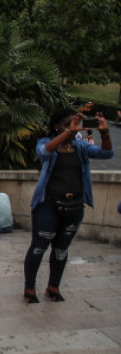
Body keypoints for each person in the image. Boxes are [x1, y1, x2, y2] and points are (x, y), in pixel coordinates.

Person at [23, 109, 114, 304]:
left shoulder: (80, 146)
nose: (73, 126)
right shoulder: (46, 143)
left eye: (74, 123)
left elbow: (107, 154)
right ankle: (29, 287)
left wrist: (105, 133)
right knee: (39, 248)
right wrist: (67, 133)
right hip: (48, 204)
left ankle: (53, 286)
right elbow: (44, 151)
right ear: (57, 126)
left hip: (74, 206)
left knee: (61, 250)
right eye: (67, 123)